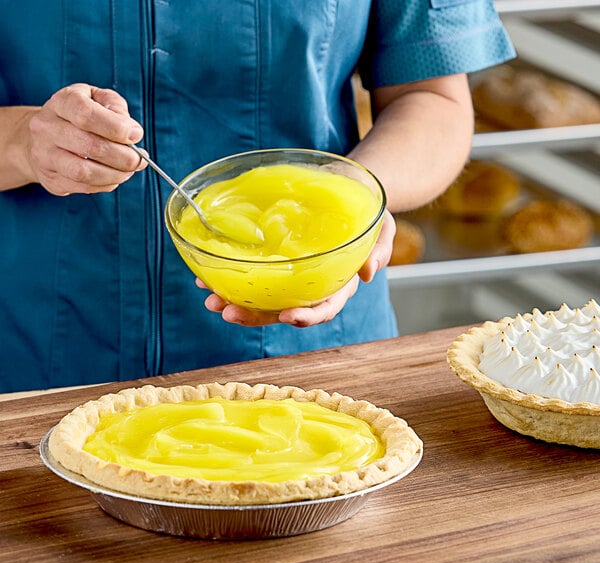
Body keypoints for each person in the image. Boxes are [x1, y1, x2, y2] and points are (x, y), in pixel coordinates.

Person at [0, 2, 515, 393]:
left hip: (315, 363)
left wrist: (358, 198)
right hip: (38, 363)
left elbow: (432, 99)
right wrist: (22, 141)